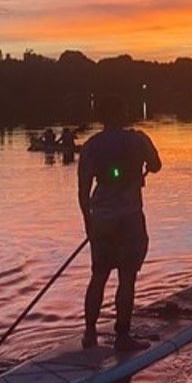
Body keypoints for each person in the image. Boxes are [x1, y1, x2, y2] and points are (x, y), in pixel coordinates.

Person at [78, 93, 162, 351]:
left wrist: (88, 224)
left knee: (99, 276)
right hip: (129, 220)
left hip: (100, 219)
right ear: (121, 113)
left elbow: (82, 191)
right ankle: (122, 336)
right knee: (127, 278)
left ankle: (90, 334)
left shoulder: (90, 146)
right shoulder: (138, 139)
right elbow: (157, 165)